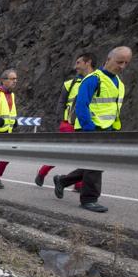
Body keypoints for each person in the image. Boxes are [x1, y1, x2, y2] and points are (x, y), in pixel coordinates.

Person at [53, 46, 132, 213]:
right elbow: (81, 107)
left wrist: (114, 129)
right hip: (91, 128)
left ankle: (63, 180)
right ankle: (89, 199)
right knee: (95, 164)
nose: (123, 66)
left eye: (126, 63)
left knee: (95, 164)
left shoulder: (119, 83)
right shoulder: (93, 79)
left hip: (108, 129)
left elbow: (112, 109)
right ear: (108, 59)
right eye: (119, 62)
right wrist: (90, 129)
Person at [35, 53, 96, 188]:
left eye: (78, 63)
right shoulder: (70, 83)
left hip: (88, 125)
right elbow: (61, 103)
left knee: (84, 156)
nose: (75, 67)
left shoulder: (98, 81)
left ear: (88, 62)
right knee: (62, 153)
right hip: (69, 124)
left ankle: (79, 184)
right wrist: (62, 121)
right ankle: (42, 172)